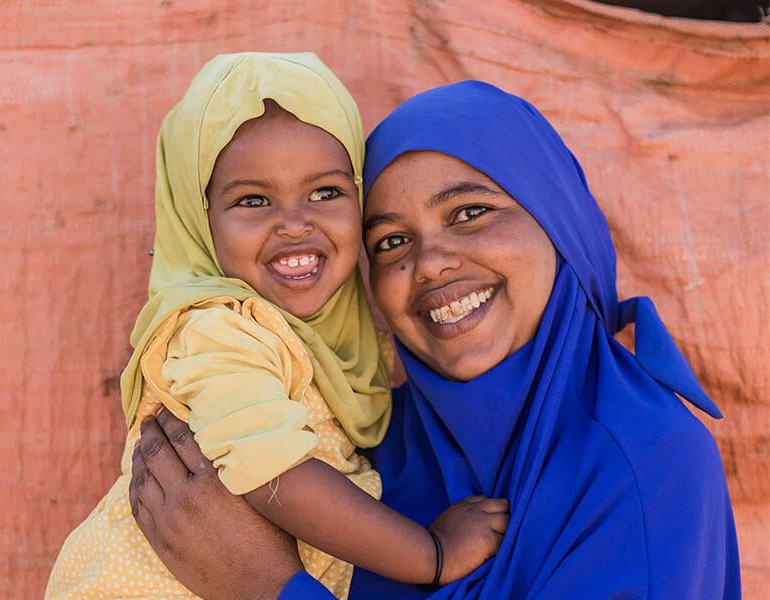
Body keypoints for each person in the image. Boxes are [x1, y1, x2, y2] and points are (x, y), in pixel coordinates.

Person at [129, 79, 742, 599]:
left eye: (470, 213)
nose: (430, 264)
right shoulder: (368, 443)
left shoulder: (647, 467)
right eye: (391, 241)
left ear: (561, 224)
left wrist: (265, 584)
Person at [45, 56, 508, 600]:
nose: (294, 223)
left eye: (325, 192)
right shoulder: (218, 331)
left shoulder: (346, 337)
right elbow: (276, 475)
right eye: (253, 200)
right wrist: (432, 554)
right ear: (199, 221)